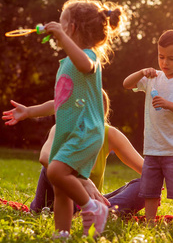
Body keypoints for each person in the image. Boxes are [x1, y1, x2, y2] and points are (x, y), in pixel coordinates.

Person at [4, 0, 126, 238]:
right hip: (69, 133)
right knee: (60, 188)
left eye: (62, 23)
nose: (57, 29)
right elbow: (58, 102)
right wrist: (29, 111)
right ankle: (63, 234)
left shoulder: (89, 57)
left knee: (56, 172)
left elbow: (85, 65)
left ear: (72, 28)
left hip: (85, 131)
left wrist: (61, 36)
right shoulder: (68, 62)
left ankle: (94, 208)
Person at [3, 91, 146, 216]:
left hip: (89, 204)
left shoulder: (109, 134)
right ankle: (94, 212)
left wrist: (154, 181)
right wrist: (83, 180)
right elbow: (44, 157)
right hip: (53, 203)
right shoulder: (61, 128)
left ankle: (102, 212)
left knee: (144, 184)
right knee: (52, 167)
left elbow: (146, 170)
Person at [123, 29, 173, 229]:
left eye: (171, 58)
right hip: (152, 148)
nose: (165, 63)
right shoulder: (152, 78)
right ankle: (150, 225)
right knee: (150, 191)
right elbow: (126, 84)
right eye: (161, 57)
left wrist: (168, 104)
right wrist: (141, 72)